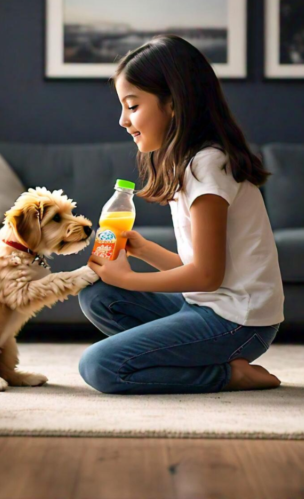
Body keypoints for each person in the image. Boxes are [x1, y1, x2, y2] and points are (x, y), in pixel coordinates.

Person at [80, 35, 285, 395]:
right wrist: (143, 251)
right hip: (208, 306)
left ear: (173, 104)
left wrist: (129, 279)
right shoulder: (191, 163)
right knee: (96, 294)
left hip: (238, 323)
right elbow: (205, 271)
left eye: (132, 105)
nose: (122, 120)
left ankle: (226, 375)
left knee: (100, 366)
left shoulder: (208, 165)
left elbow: (206, 276)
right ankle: (191, 357)